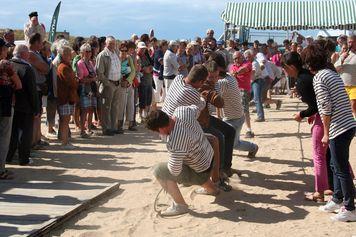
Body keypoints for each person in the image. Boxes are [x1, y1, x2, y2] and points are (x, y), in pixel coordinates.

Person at [302, 44, 356, 222]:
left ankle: (349, 208)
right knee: (334, 164)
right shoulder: (331, 72)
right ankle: (337, 198)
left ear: (309, 63)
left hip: (339, 127)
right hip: (347, 124)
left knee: (341, 169)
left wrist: (325, 133)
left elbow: (325, 108)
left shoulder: (319, 77)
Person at [146, 105, 219, 216]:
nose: (159, 134)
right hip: (210, 155)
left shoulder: (174, 142)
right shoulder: (181, 111)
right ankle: (211, 189)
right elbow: (199, 105)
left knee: (159, 170)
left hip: (200, 170)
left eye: (157, 131)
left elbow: (174, 171)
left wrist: (172, 158)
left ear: (161, 128)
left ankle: (180, 205)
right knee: (192, 160)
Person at [282, 51, 329, 202]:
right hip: (326, 116)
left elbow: (315, 105)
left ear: (291, 67)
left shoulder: (302, 80)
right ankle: (332, 186)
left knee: (318, 155)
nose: (284, 70)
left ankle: (319, 192)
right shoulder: (307, 76)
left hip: (324, 118)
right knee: (329, 153)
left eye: (285, 67)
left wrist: (302, 115)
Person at [214, 53, 259, 160]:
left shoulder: (224, 81)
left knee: (233, 144)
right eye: (234, 59)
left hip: (234, 118)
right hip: (231, 117)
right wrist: (219, 115)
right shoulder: (228, 75)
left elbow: (214, 92)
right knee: (230, 141)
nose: (236, 60)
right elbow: (218, 99)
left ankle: (253, 147)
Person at [7, 44, 40, 166]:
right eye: (27, 53)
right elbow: (32, 91)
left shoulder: (8, 65)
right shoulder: (27, 68)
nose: (29, 55)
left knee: (11, 133)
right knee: (25, 134)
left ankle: (8, 157)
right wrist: (36, 108)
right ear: (23, 54)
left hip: (11, 105)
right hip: (26, 107)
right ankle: (23, 159)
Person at [0, 43, 22, 178]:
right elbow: (18, 84)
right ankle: (1, 170)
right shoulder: (5, 64)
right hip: (4, 103)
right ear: (2, 50)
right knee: (3, 137)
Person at [96, 36, 121, 136]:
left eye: (113, 43)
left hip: (117, 83)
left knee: (115, 106)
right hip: (108, 84)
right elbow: (100, 72)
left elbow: (118, 68)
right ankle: (106, 128)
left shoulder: (116, 54)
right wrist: (108, 83)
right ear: (106, 44)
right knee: (106, 107)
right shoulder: (102, 55)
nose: (112, 45)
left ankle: (113, 127)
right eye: (110, 43)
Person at [28, 33, 50, 149]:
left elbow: (46, 69)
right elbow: (45, 68)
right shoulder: (31, 54)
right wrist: (42, 68)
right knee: (35, 115)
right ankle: (33, 142)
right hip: (35, 88)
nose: (42, 44)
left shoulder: (36, 54)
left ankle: (37, 140)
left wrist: (43, 68)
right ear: (36, 42)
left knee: (38, 114)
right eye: (41, 42)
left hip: (39, 88)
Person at [57, 46, 78, 148]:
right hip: (66, 97)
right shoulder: (64, 67)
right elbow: (72, 83)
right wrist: (77, 81)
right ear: (62, 55)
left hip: (66, 97)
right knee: (65, 120)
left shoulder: (65, 66)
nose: (69, 55)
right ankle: (64, 142)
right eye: (66, 54)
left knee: (64, 120)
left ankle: (63, 140)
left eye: (69, 53)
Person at [230, 51, 254, 138]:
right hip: (235, 90)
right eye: (234, 58)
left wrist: (235, 73)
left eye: (238, 58)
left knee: (245, 109)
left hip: (244, 90)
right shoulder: (233, 66)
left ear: (242, 57)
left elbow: (243, 70)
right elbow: (232, 73)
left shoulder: (247, 63)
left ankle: (249, 130)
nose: (236, 60)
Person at [77, 43, 97, 138]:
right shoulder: (80, 63)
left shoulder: (91, 63)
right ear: (82, 52)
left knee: (91, 109)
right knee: (84, 110)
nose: (89, 53)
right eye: (87, 51)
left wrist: (93, 78)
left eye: (90, 51)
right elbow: (80, 79)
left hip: (91, 88)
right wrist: (91, 79)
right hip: (85, 88)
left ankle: (89, 129)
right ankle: (82, 131)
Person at [335, 34, 356, 118]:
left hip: (354, 85)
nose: (351, 44)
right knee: (345, 107)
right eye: (349, 42)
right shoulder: (343, 55)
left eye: (353, 42)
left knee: (353, 105)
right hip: (343, 85)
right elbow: (335, 69)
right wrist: (341, 59)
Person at [118, 41, 136, 131]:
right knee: (121, 105)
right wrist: (122, 80)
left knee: (130, 104)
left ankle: (131, 124)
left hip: (129, 84)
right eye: (122, 50)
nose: (124, 52)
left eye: (125, 50)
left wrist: (128, 81)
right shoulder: (117, 60)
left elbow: (133, 71)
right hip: (120, 85)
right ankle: (119, 125)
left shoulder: (129, 58)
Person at [137, 42, 153, 120]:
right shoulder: (137, 57)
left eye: (144, 49)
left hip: (149, 80)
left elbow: (150, 66)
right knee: (142, 98)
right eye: (141, 49)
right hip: (142, 81)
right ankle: (140, 115)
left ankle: (145, 115)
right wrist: (145, 69)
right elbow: (141, 69)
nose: (143, 50)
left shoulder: (146, 56)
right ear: (138, 48)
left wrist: (148, 68)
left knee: (148, 98)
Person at [152, 40, 167, 110]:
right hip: (157, 74)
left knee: (164, 89)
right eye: (165, 45)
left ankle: (161, 104)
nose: (167, 46)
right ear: (162, 46)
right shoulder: (158, 52)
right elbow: (161, 62)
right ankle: (155, 104)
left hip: (162, 74)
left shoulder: (164, 52)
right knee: (158, 89)